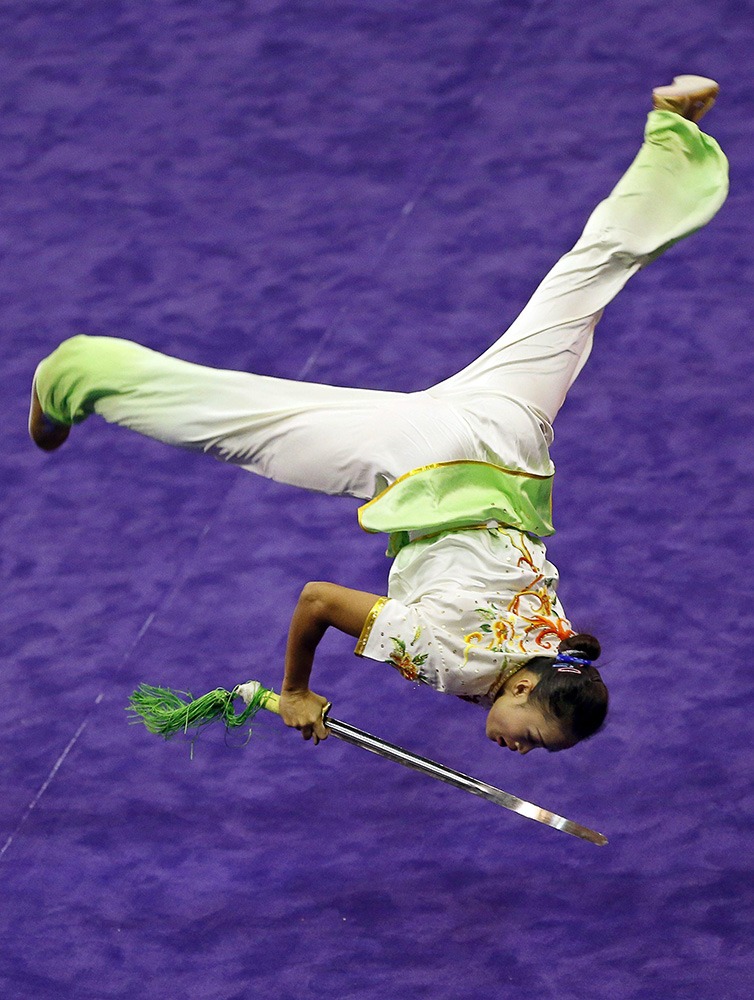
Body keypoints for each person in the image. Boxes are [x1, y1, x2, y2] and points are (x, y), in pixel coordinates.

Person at [29, 77, 728, 753]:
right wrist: (295, 691)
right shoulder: (452, 666)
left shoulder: (558, 648)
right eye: (532, 737)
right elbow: (318, 601)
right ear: (519, 689)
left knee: (590, 275)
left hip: (511, 442)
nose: (522, 751)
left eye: (539, 752)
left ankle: (674, 132)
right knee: (246, 430)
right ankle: (75, 374)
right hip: (424, 461)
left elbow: (501, 652)